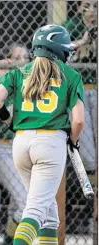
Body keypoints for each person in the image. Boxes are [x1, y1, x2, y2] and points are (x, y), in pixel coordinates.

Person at [0, 24, 84, 245]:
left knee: (49, 214)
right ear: (59, 51)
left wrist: (10, 121)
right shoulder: (70, 75)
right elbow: (78, 120)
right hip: (50, 144)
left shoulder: (20, 72)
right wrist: (73, 141)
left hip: (21, 142)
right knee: (35, 210)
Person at [0, 43, 29, 244]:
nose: (21, 62)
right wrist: (1, 74)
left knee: (17, 204)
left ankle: (9, 239)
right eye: (16, 58)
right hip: (3, 147)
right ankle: (10, 240)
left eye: (25, 58)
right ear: (8, 60)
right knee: (26, 202)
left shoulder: (31, 81)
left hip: (25, 147)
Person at [63, 0, 97, 176]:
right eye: (87, 5)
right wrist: (82, 41)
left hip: (96, 89)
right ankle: (90, 195)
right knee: (89, 155)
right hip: (78, 90)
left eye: (95, 6)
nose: (91, 10)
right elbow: (56, 49)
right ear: (78, 8)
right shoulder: (71, 26)